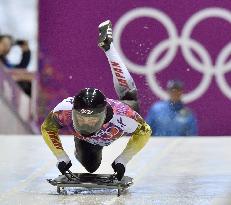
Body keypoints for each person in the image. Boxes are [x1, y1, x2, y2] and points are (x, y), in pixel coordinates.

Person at [41, 20, 151, 181]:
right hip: (88, 142)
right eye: (81, 118)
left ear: (104, 115)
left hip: (120, 113)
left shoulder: (123, 115)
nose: (86, 123)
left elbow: (144, 131)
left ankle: (109, 48)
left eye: (92, 119)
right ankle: (108, 47)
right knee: (90, 166)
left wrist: (123, 160)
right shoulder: (64, 110)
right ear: (73, 113)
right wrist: (61, 157)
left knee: (129, 97)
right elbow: (47, 128)